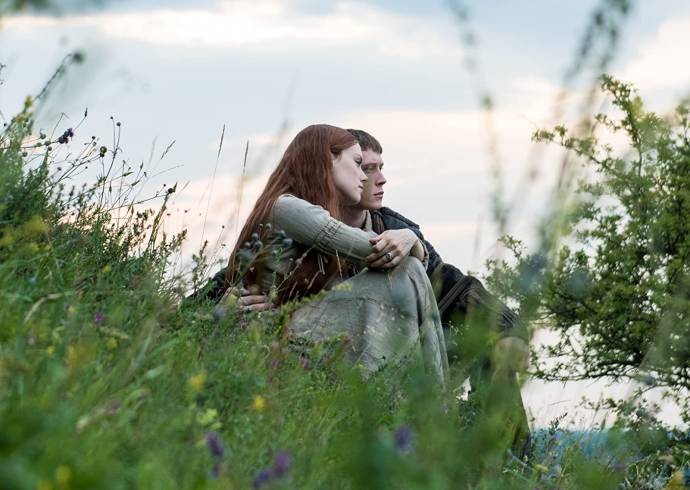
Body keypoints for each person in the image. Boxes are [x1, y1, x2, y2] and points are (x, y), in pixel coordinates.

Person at [191, 128, 531, 455]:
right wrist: (223, 306)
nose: (378, 178)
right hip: (317, 357)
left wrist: (509, 330)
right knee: (407, 270)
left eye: (380, 168)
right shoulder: (297, 218)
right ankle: (405, 426)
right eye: (364, 167)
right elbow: (210, 299)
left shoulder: (393, 228)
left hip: (404, 352)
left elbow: (454, 287)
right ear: (330, 166)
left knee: (488, 344)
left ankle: (510, 462)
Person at [219, 124, 449, 387]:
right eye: (358, 163)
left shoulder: (301, 210)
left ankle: (409, 400)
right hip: (271, 341)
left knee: (408, 270)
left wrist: (410, 238)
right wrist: (411, 239)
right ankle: (422, 404)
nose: (365, 177)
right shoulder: (287, 206)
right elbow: (371, 249)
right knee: (406, 271)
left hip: (292, 337)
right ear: (328, 160)